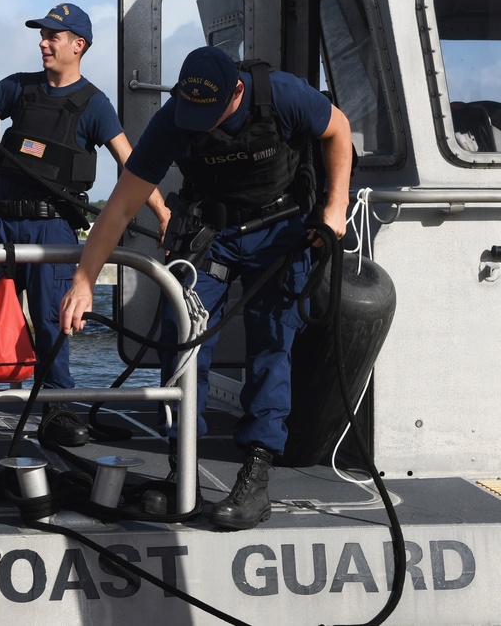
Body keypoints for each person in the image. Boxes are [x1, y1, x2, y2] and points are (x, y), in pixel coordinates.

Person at [60, 45, 353, 529]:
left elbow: (337, 129)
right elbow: (118, 207)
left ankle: (256, 478)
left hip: (279, 229)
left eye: (211, 114)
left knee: (272, 346)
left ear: (236, 90)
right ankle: (182, 472)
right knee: (184, 343)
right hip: (214, 235)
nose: (202, 125)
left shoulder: (280, 95)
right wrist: (84, 281)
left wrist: (335, 205)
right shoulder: (176, 118)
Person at [0, 3, 169, 448]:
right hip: (0, 225)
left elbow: (131, 163)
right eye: (42, 36)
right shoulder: (18, 89)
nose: (43, 43)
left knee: (51, 321)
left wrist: (160, 212)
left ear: (78, 45)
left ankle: (57, 410)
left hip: (52, 232)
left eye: (53, 37)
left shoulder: (94, 104)